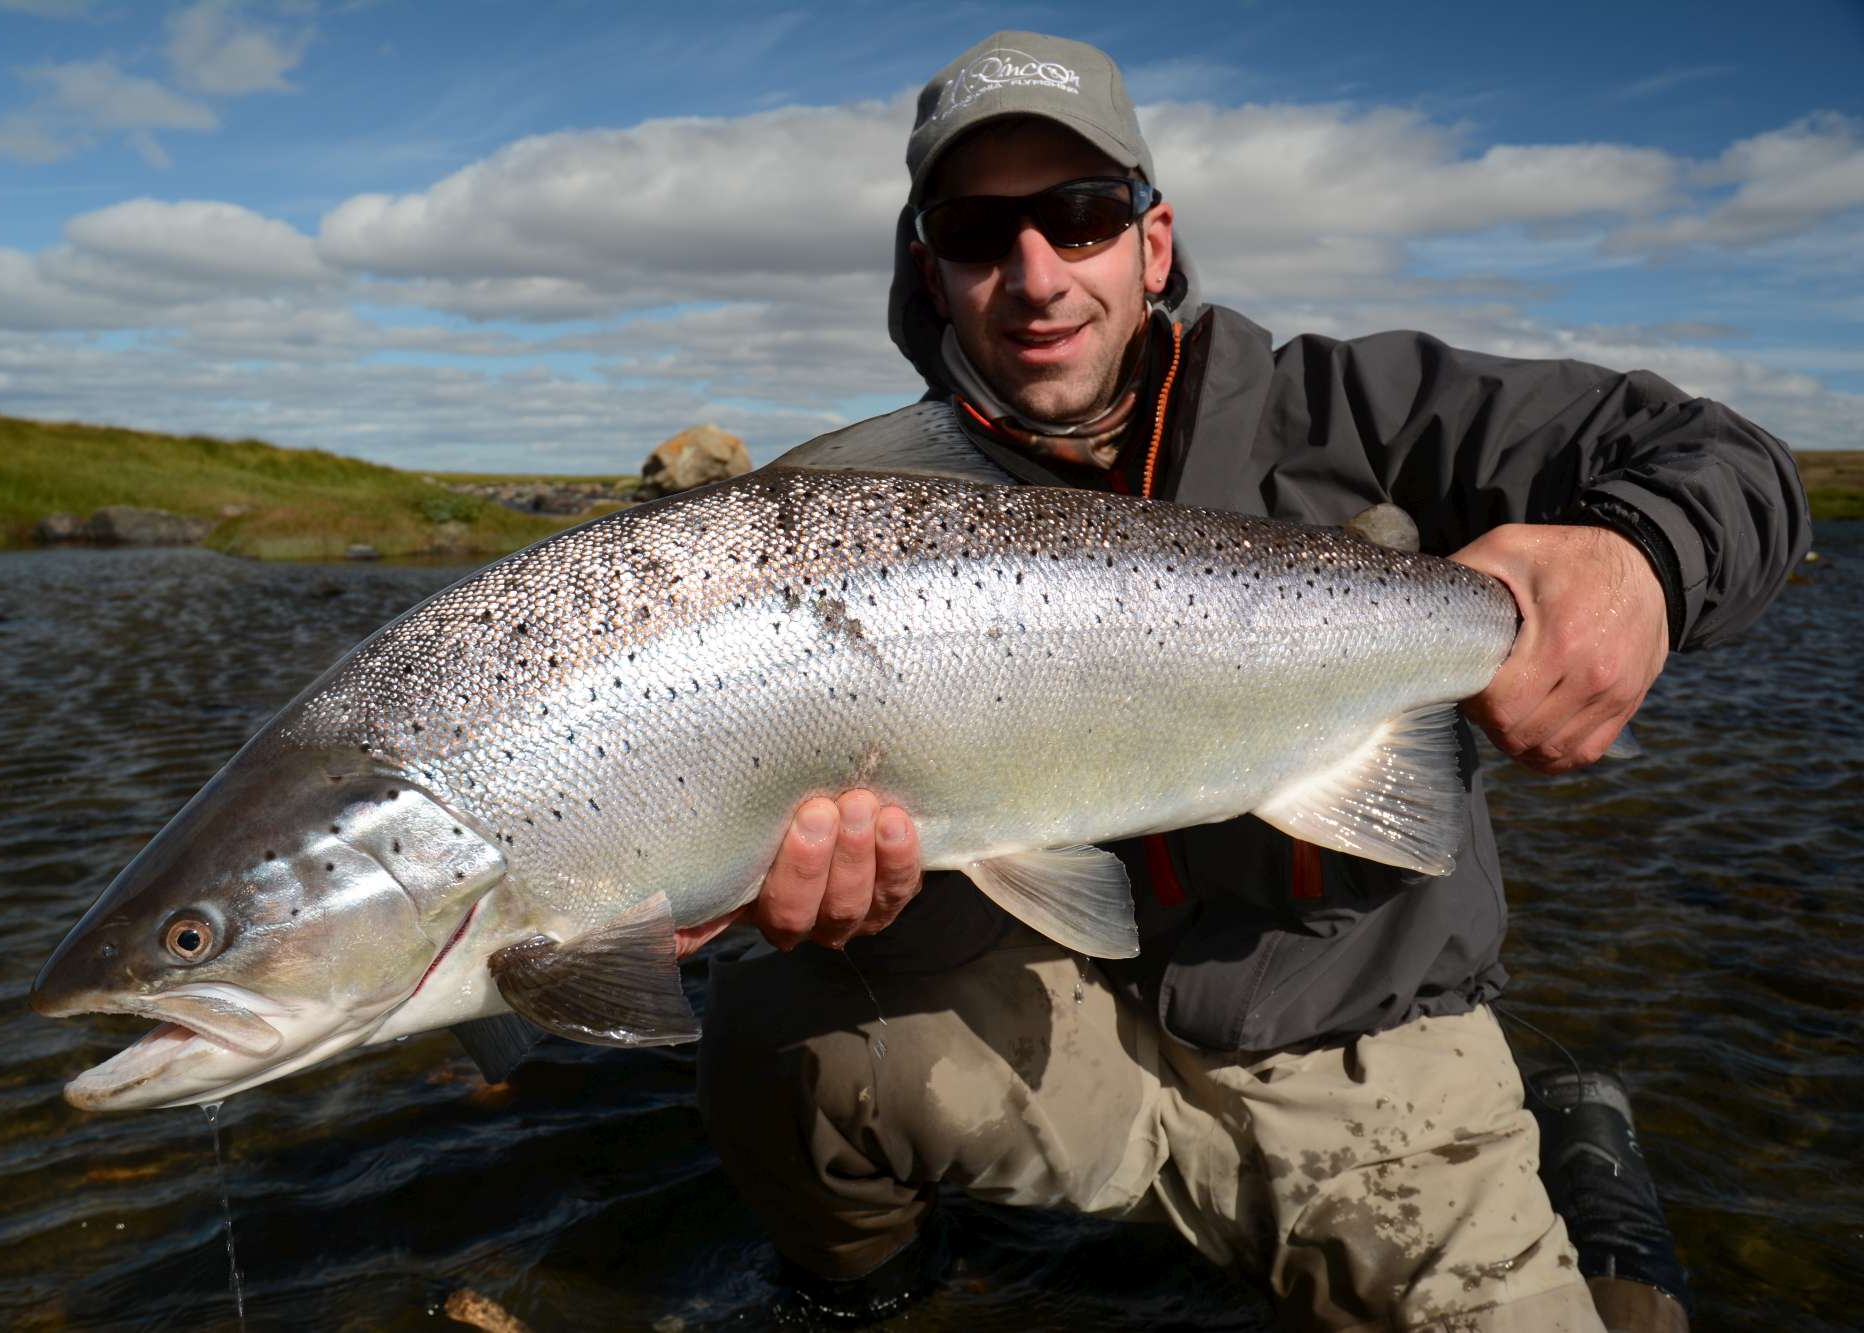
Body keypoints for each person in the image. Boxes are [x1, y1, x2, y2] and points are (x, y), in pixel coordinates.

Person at [531, 31, 1811, 1332]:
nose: (1035, 274)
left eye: (1079, 218)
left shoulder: (1348, 410)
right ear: (931, 270)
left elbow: (1734, 461)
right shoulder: (879, 517)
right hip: (1077, 1036)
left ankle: (1600, 1190)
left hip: (1377, 1076)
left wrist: (1640, 560)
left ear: (1152, 241)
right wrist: (829, 896)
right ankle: (871, 1293)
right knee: (765, 1023)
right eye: (981, 230)